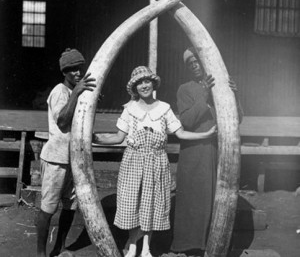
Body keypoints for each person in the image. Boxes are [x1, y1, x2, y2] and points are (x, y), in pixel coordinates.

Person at [93, 66, 217, 257]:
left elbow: (181, 133)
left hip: (157, 162)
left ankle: (146, 249)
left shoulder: (164, 108)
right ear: (134, 88)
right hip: (133, 162)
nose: (144, 85)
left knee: (151, 205)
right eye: (139, 83)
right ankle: (132, 246)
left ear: (153, 83)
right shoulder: (130, 109)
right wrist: (96, 138)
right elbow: (118, 138)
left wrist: (205, 134)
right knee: (131, 204)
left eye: (147, 81)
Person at [171, 47, 243, 256]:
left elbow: (236, 118)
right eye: (190, 63)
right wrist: (203, 94)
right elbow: (186, 121)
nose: (195, 65)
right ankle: (191, 246)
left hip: (217, 151)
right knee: (195, 198)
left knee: (215, 197)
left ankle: (214, 245)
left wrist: (234, 94)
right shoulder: (185, 89)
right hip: (195, 152)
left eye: (198, 61)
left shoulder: (220, 87)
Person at [36, 48, 96, 257]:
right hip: (56, 158)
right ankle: (41, 254)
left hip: (74, 159)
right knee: (48, 207)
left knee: (70, 206)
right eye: (72, 70)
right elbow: (62, 122)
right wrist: (78, 92)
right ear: (64, 72)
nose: (77, 73)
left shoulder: (77, 91)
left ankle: (59, 248)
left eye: (79, 68)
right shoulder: (59, 92)